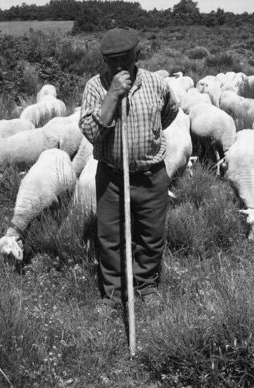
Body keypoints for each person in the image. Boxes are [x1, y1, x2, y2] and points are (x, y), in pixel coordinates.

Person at [78, 27, 179, 313]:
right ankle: (112, 294)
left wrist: (149, 139)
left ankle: (145, 285)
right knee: (109, 237)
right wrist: (112, 95)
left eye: (125, 58)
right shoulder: (95, 87)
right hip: (112, 177)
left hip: (150, 174)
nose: (119, 66)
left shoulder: (156, 84)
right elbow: (90, 132)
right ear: (104, 60)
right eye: (112, 61)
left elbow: (169, 113)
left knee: (151, 234)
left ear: (138, 54)